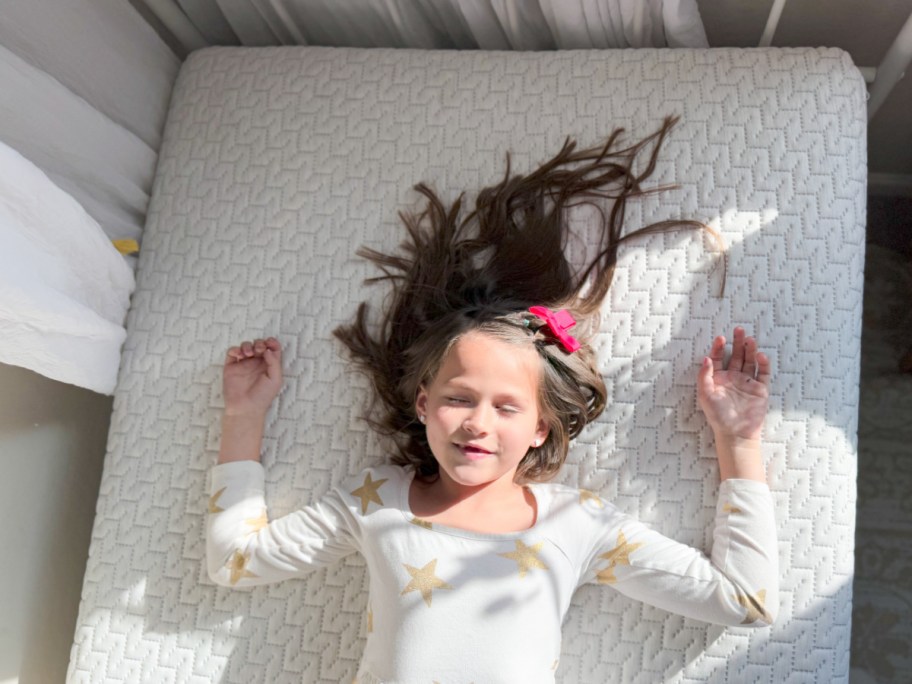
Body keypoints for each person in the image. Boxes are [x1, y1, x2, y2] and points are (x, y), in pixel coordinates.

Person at [207, 117, 778, 683]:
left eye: (506, 407)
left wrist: (737, 439)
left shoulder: (576, 523)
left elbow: (746, 600)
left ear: (540, 428)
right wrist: (244, 414)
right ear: (424, 403)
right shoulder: (377, 499)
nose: (478, 424)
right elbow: (236, 561)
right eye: (459, 398)